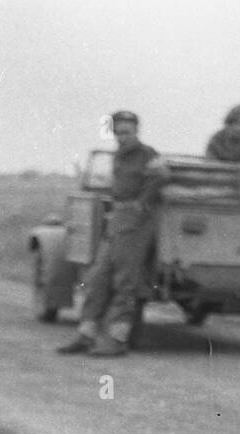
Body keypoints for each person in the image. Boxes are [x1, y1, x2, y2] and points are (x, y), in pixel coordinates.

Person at [57, 111, 169, 358]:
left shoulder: (147, 155)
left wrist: (141, 204)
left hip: (135, 222)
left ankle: (118, 339)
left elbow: (161, 177)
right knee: (97, 278)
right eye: (118, 132)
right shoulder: (120, 155)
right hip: (117, 220)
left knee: (124, 282)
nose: (122, 137)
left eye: (127, 132)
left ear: (137, 131)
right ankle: (86, 334)